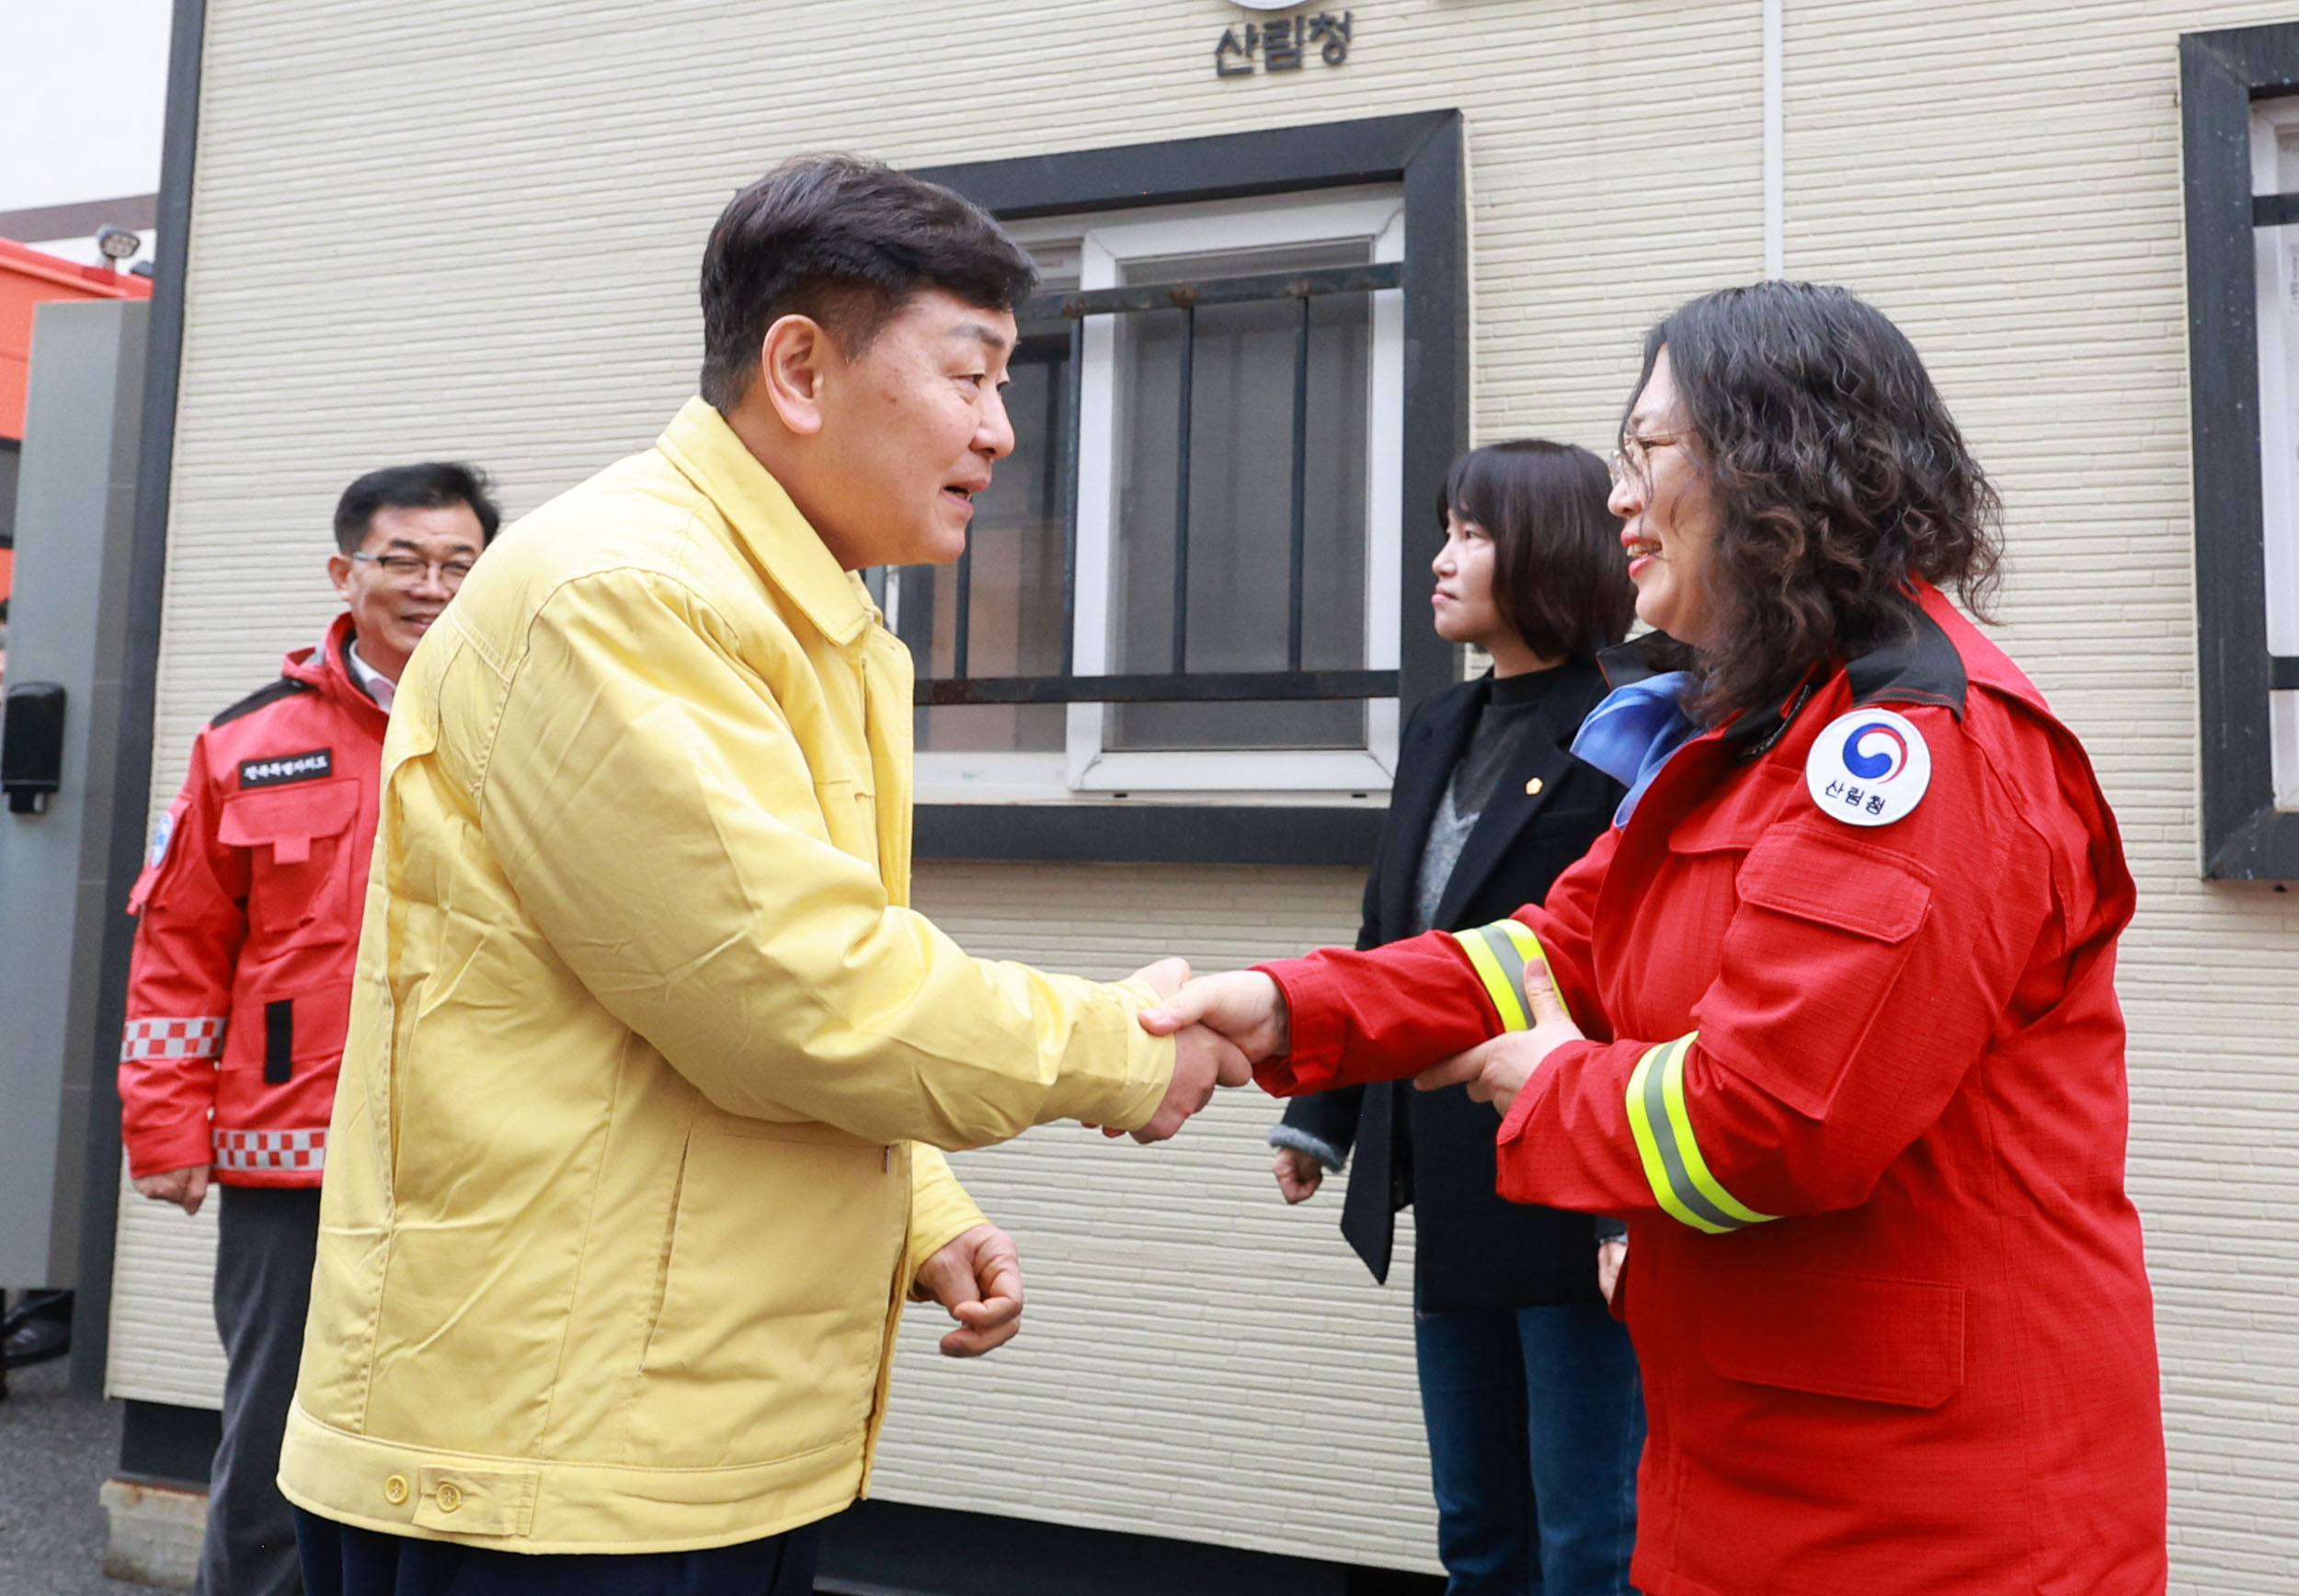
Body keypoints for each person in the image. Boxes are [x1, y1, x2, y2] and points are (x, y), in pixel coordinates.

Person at [279, 154, 1248, 1596]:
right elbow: (787, 988)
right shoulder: (630, 595)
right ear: (798, 366)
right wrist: (1118, 1047)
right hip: (551, 1459)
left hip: (659, 1432)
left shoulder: (787, 603)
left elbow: (705, 987)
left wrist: (916, 1210)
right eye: (969, 375)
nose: (999, 432)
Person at [1147, 282, 2167, 1596]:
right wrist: (1294, 1013)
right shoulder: (1749, 738)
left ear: (1780, 460)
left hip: (1928, 1516)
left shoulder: (1915, 751)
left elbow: (1777, 1124)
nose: (1620, 498)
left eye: (1650, 451)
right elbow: (1550, 952)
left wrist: (1545, 1082)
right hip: (1747, 1466)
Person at [1266, 440, 1641, 1596]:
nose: (1440, 558)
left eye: (1471, 534)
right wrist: (1320, 1111)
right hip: (1451, 1166)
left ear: (1548, 547)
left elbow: (1632, 966)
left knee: (1590, 1535)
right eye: (1446, 528)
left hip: (1574, 1180)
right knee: (1476, 1524)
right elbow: (1396, 929)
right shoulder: (1440, 723)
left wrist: (1622, 1206)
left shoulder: (1623, 726)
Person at [118, 462, 500, 1596]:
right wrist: (166, 1127)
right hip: (294, 1152)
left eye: (459, 564)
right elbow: (181, 941)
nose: (431, 586)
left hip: (487, 1149)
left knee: (461, 1425)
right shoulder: (249, 741)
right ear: (345, 573)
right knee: (281, 1424)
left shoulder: (531, 722)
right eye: (404, 560)